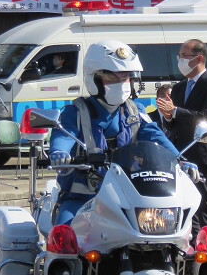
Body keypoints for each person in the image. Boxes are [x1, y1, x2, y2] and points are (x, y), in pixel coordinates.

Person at [49, 40, 197, 225]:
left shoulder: (136, 111)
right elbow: (63, 134)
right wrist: (59, 153)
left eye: (126, 78)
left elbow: (156, 136)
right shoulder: (76, 112)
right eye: (112, 78)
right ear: (94, 79)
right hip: (83, 196)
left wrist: (180, 160)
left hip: (128, 197)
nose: (121, 83)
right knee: (64, 232)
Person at [157, 39, 207, 239]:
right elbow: (174, 123)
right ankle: (191, 245)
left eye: (184, 56)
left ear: (199, 58)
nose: (180, 60)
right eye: (180, 56)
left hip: (202, 152)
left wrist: (176, 111)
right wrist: (169, 116)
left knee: (204, 204)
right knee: (184, 206)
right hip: (181, 154)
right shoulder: (178, 88)